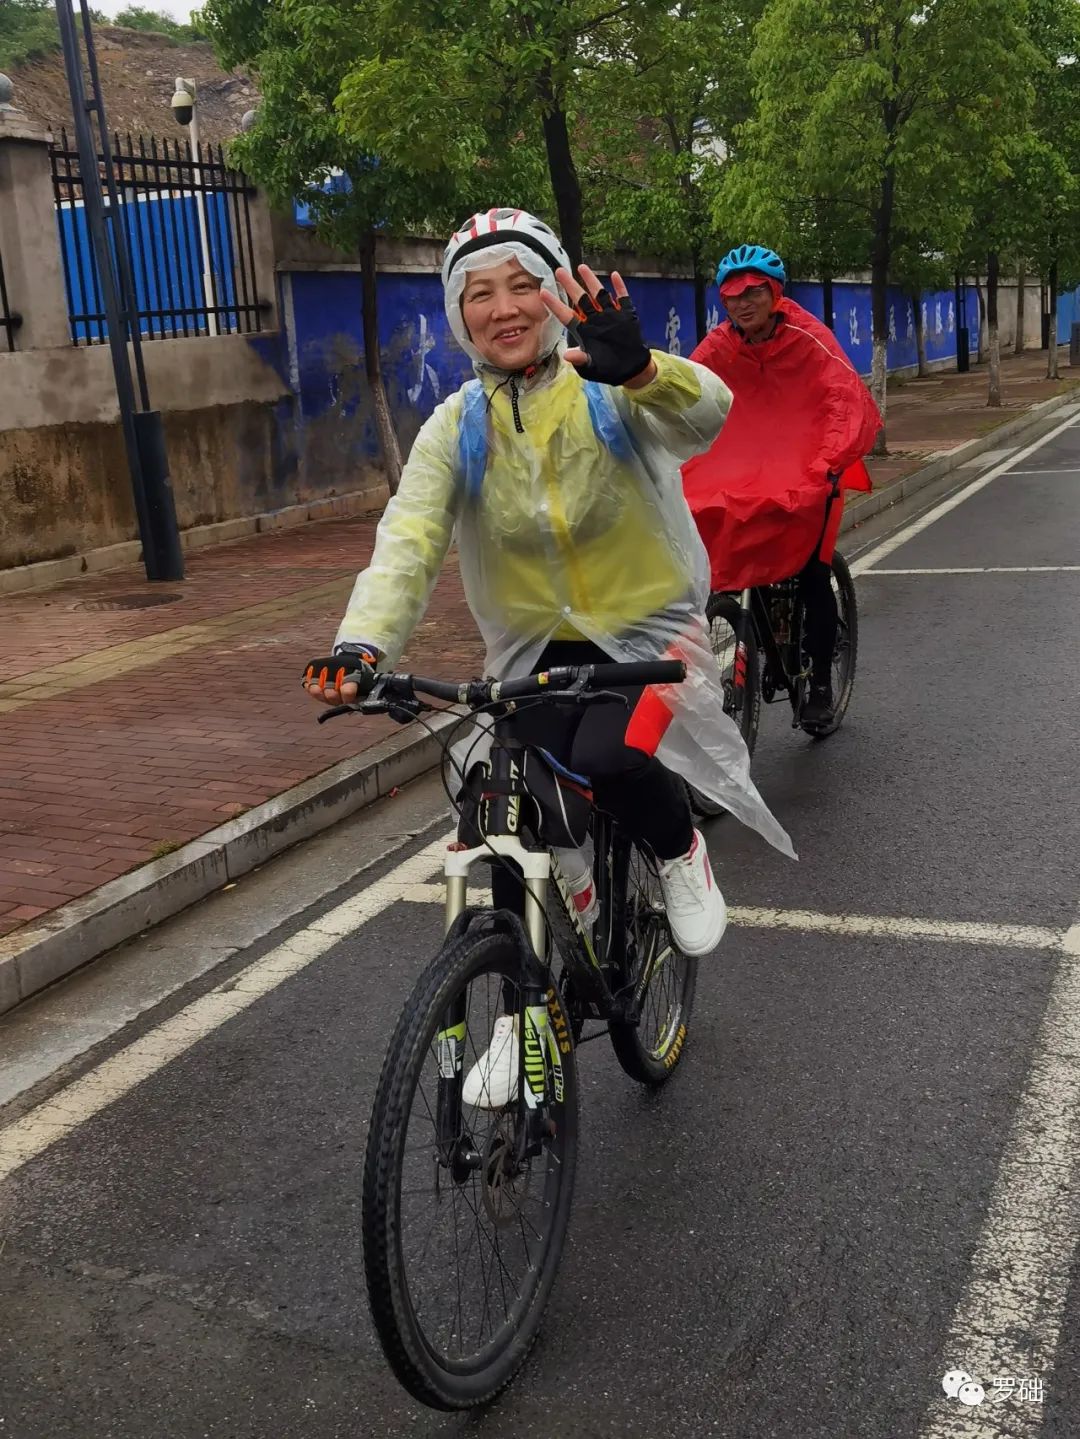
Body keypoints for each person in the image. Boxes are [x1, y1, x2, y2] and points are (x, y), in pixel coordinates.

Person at [304, 209, 793, 1107]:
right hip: (533, 648)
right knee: (500, 818)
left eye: (523, 284)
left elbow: (708, 417)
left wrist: (642, 368)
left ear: (555, 292)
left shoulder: (605, 383)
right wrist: (361, 643)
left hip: (648, 635)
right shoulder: (458, 424)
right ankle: (536, 1013)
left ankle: (681, 852)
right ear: (459, 315)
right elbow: (408, 536)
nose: (503, 308)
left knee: (608, 757)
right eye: (478, 293)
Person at [682, 245, 882, 726]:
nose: (742, 304)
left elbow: (843, 398)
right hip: (748, 473)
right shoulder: (717, 347)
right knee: (717, 532)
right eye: (731, 297)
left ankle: (818, 683)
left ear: (774, 293)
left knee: (813, 573)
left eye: (752, 293)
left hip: (809, 470)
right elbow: (683, 398)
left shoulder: (809, 338)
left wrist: (827, 463)